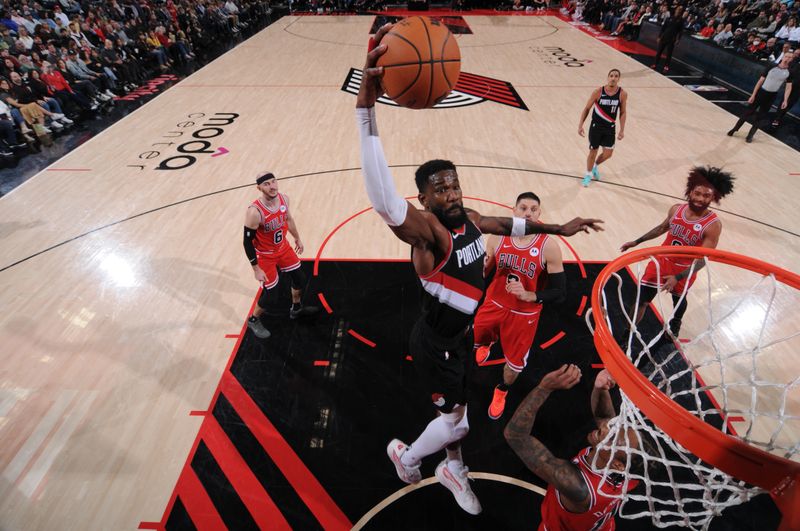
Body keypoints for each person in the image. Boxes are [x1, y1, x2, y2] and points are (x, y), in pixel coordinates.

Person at [357, 23, 603, 515]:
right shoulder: (428, 234)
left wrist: (560, 227)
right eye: (440, 190)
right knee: (458, 423)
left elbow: (507, 222)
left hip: (459, 339)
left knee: (458, 414)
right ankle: (409, 456)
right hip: (435, 344)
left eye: (454, 185)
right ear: (424, 198)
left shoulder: (469, 218)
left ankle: (452, 464)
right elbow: (383, 199)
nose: (451, 193)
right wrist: (366, 107)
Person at [505, 367, 644, 531]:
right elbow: (604, 418)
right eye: (614, 427)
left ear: (616, 464)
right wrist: (601, 387)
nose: (605, 428)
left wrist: (544, 388)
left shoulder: (577, 486)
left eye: (612, 438)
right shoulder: (630, 471)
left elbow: (515, 436)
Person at [473, 192, 565, 420]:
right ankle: (488, 341)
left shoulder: (548, 246)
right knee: (480, 336)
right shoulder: (497, 237)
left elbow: (560, 292)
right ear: (513, 210)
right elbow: (485, 272)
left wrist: (531, 295)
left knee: (513, 365)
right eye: (523, 208)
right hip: (494, 303)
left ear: (539, 214)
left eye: (533, 209)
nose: (528, 212)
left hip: (524, 315)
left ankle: (501, 390)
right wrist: (481, 267)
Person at [619, 166, 735, 336]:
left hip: (684, 269)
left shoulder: (712, 225)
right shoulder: (676, 209)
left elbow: (703, 259)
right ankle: (627, 333)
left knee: (678, 299)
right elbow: (661, 228)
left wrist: (678, 277)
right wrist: (637, 241)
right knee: (641, 299)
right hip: (661, 261)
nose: (700, 199)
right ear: (690, 192)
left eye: (706, 195)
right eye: (697, 193)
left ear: (713, 197)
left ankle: (676, 320)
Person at [243, 172, 318, 339]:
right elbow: (247, 243)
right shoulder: (254, 212)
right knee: (271, 295)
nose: (272, 186)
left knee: (300, 278)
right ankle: (254, 319)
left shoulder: (284, 199)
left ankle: (296, 308)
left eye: (273, 181)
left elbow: (289, 220)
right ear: (259, 188)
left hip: (283, 248)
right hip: (265, 255)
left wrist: (297, 238)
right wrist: (255, 268)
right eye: (266, 184)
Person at [727, 53, 793, 142]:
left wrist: (785, 100)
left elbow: (788, 87)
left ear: (791, 60)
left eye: (790, 57)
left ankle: (750, 135)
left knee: (761, 116)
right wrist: (753, 95)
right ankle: (734, 129)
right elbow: (760, 81)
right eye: (786, 56)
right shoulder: (772, 66)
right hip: (761, 93)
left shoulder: (789, 72)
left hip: (772, 96)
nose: (787, 58)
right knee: (748, 112)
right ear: (783, 57)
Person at [578, 69, 627, 187]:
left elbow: (623, 112)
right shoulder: (598, 92)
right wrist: (580, 125)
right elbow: (587, 108)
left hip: (610, 127)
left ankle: (594, 166)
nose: (613, 78)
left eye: (616, 76)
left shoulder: (622, 94)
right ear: (608, 77)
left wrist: (622, 130)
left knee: (608, 154)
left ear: (619, 79)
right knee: (593, 151)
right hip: (596, 127)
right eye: (611, 76)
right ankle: (588, 174)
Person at [651, 5, 684, 73]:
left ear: (681, 12)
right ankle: (655, 64)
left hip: (672, 39)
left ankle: (666, 67)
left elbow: (681, 31)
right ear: (675, 10)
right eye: (678, 9)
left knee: (669, 54)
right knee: (659, 52)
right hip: (664, 37)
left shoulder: (681, 20)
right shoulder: (669, 18)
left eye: (680, 10)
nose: (678, 11)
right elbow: (663, 28)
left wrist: (678, 39)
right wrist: (659, 36)